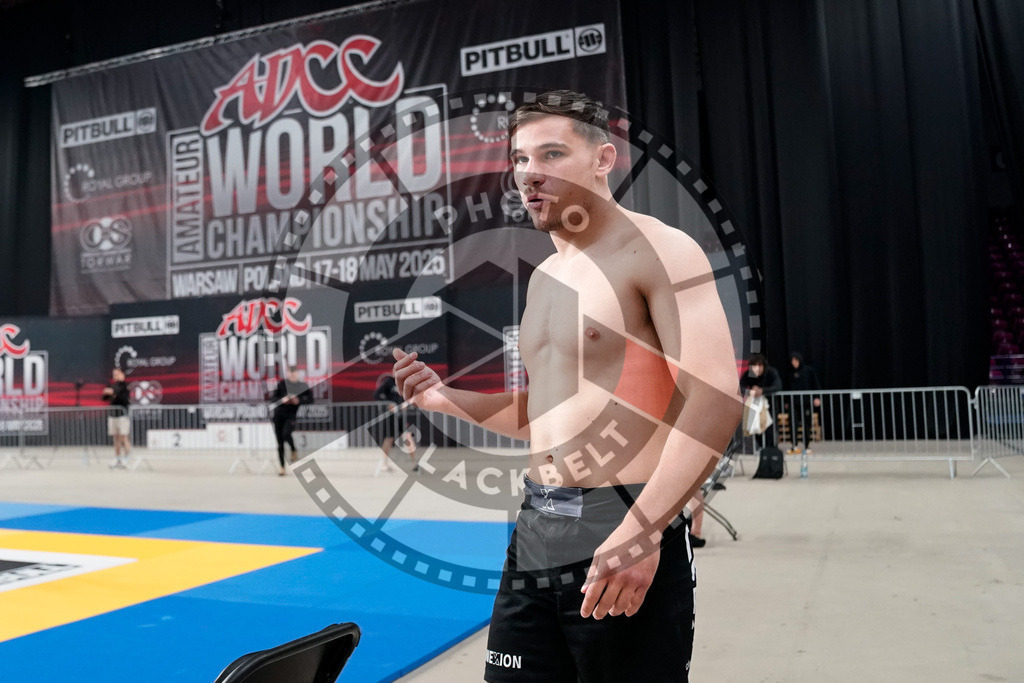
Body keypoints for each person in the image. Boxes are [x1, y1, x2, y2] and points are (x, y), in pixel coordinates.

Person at [393, 90, 741, 682]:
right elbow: (539, 415)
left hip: (623, 515)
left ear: (604, 159)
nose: (530, 173)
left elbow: (712, 401)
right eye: (520, 159)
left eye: (551, 154)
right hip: (536, 524)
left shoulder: (658, 250)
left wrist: (644, 530)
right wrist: (439, 398)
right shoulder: (548, 278)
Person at [269, 367, 312, 476]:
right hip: (278, 415)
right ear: (288, 374)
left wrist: (298, 400)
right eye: (290, 373)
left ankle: (293, 449)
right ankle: (282, 467)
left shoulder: (302, 386)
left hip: (291, 415)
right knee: (280, 443)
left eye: (294, 373)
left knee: (286, 434)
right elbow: (273, 399)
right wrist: (282, 400)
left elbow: (310, 399)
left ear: (297, 374)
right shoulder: (281, 384)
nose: (292, 375)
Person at [372, 374, 418, 476]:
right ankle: (384, 463)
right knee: (389, 439)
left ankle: (414, 462)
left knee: (407, 436)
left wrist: (407, 404)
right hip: (391, 416)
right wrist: (389, 404)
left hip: (402, 415)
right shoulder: (389, 381)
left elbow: (411, 398)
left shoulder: (406, 383)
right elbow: (376, 394)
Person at [739, 353, 782, 445]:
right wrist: (749, 392)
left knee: (770, 428)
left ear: (763, 365)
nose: (756, 368)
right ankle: (762, 448)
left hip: (770, 406)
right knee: (756, 427)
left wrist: (762, 391)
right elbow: (739, 387)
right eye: (753, 366)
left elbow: (778, 386)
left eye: (759, 365)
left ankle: (771, 449)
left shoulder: (770, 372)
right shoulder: (749, 374)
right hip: (755, 406)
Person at [784, 351, 821, 454]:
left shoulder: (809, 370)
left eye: (796, 361)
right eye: (792, 361)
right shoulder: (789, 373)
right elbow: (787, 388)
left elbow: (815, 384)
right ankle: (794, 445)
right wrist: (786, 402)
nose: (794, 363)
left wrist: (817, 397)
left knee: (807, 425)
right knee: (793, 424)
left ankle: (807, 446)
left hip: (806, 403)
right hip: (793, 403)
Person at [101, 368, 132, 469]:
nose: (115, 376)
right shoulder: (112, 385)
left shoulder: (125, 386)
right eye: (114, 374)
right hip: (113, 415)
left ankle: (127, 458)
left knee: (124, 437)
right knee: (116, 438)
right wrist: (106, 393)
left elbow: (122, 399)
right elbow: (104, 398)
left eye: (117, 374)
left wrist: (113, 394)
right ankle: (117, 457)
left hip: (122, 415)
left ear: (122, 374)